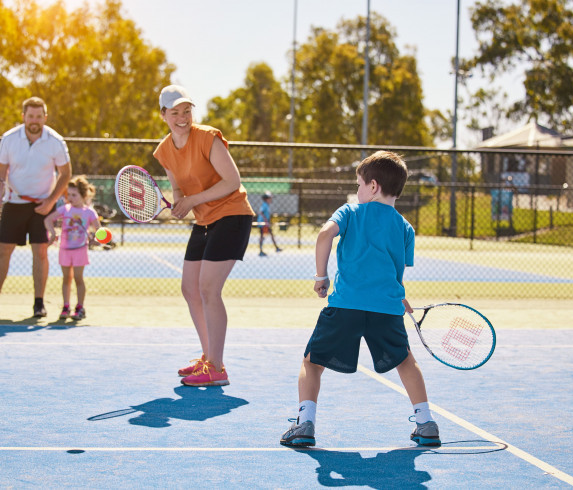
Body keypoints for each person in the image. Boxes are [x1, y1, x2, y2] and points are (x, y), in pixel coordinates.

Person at [279, 151, 440, 448]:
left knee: (312, 363)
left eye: (358, 185)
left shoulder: (350, 212)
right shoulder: (406, 228)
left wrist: (320, 276)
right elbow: (395, 272)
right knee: (405, 361)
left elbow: (325, 234)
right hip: (387, 310)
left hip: (346, 306)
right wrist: (399, 296)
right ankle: (426, 423)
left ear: (373, 186)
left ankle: (304, 424)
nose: (357, 191)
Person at [153, 85, 255, 387]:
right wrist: (179, 202)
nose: (182, 117)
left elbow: (232, 181)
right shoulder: (164, 151)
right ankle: (207, 355)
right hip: (204, 220)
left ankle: (216, 366)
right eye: (175, 112)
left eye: (186, 110)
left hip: (232, 214)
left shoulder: (208, 137)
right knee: (190, 289)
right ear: (163, 115)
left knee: (209, 289)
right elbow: (178, 189)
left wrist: (192, 201)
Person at [0, 96, 72, 318]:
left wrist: (50, 201)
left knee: (40, 252)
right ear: (23, 117)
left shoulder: (55, 141)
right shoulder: (9, 139)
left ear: (45, 117)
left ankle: (39, 304)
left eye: (39, 116)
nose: (35, 120)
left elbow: (66, 174)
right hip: (14, 204)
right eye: (31, 116)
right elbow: (0, 173)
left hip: (42, 206)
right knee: (3, 251)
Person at [44, 175, 101, 321]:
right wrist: (52, 233)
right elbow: (48, 219)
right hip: (65, 249)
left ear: (83, 195)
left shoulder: (89, 212)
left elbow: (99, 230)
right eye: (68, 194)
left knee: (78, 278)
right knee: (66, 279)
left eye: (74, 195)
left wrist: (96, 239)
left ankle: (80, 307)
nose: (70, 197)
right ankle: (66, 306)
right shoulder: (65, 209)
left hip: (80, 250)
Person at [257, 191, 282, 256]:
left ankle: (276, 247)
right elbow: (261, 212)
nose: (271, 200)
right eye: (270, 198)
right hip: (262, 223)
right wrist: (265, 221)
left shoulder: (267, 205)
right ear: (266, 199)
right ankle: (261, 251)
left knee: (270, 234)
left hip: (265, 223)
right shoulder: (264, 205)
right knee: (262, 236)